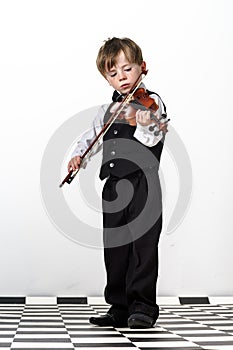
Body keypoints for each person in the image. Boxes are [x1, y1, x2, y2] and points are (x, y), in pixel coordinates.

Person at [68, 37, 168, 328]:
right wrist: (78, 157)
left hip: (142, 182)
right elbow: (91, 137)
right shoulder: (108, 110)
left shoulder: (151, 102)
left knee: (143, 245)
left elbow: (154, 136)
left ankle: (144, 307)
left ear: (142, 67)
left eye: (127, 69)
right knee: (116, 247)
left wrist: (143, 120)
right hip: (113, 186)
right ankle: (119, 307)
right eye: (113, 73)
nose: (121, 77)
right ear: (106, 78)